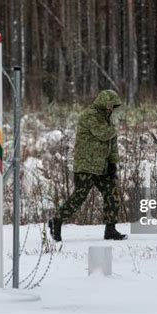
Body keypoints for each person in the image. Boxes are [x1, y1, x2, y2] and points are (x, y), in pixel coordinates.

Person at [48, 89, 127, 242]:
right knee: (79, 197)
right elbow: (103, 133)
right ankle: (56, 221)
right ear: (103, 103)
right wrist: (115, 129)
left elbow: (112, 143)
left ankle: (110, 229)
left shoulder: (107, 119)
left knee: (112, 194)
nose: (111, 109)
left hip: (102, 166)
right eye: (110, 105)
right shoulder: (89, 115)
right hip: (86, 165)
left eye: (113, 106)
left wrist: (113, 163)